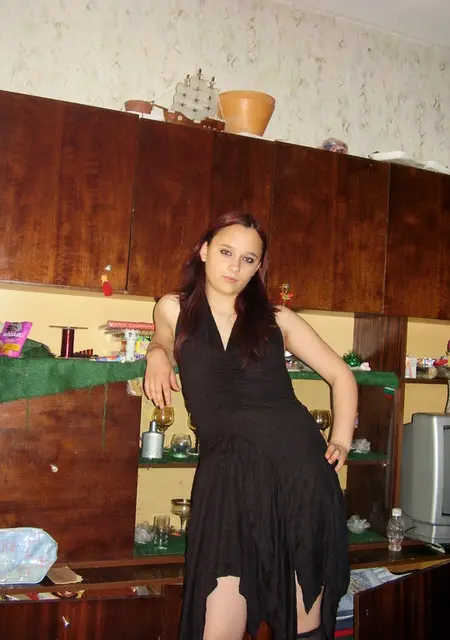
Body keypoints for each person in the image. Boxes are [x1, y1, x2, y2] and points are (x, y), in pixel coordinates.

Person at [144, 212, 357, 640]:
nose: (234, 267)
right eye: (226, 252)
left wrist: (342, 440)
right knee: (216, 621)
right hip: (225, 476)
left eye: (248, 259)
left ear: (258, 266)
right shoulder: (172, 306)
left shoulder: (278, 318)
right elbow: (162, 338)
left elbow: (341, 375)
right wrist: (155, 355)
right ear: (204, 250)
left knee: (302, 623)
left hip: (296, 470)